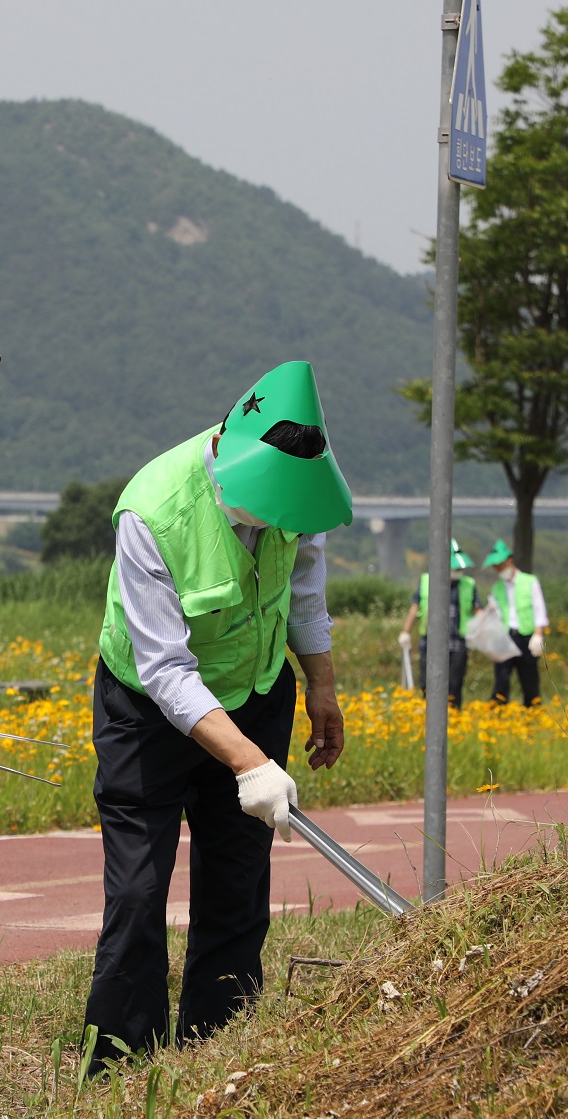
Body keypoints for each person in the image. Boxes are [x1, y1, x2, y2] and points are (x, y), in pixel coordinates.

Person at [84, 360, 351, 1074]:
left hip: (258, 690)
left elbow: (304, 595)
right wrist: (248, 762)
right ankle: (120, 1067)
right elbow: (167, 669)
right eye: (268, 508)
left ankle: (217, 1052)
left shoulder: (299, 490)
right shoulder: (153, 511)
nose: (279, 524)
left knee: (238, 884)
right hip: (148, 707)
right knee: (138, 891)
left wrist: (320, 684)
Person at [398, 540, 474, 709]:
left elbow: (478, 611)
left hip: (457, 643)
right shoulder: (427, 581)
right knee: (427, 681)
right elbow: (415, 607)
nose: (458, 572)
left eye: (461, 569)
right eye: (456, 569)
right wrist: (406, 631)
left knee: (455, 682)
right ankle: (429, 713)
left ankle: (454, 715)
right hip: (430, 642)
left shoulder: (469, 585)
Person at [481, 539, 548, 706]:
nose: (498, 570)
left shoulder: (529, 581)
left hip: (526, 636)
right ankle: (498, 714)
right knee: (501, 679)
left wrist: (538, 634)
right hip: (504, 636)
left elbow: (539, 608)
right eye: (495, 567)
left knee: (529, 679)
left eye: (500, 565)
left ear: (510, 561)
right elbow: (494, 612)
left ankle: (532, 713)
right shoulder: (497, 587)